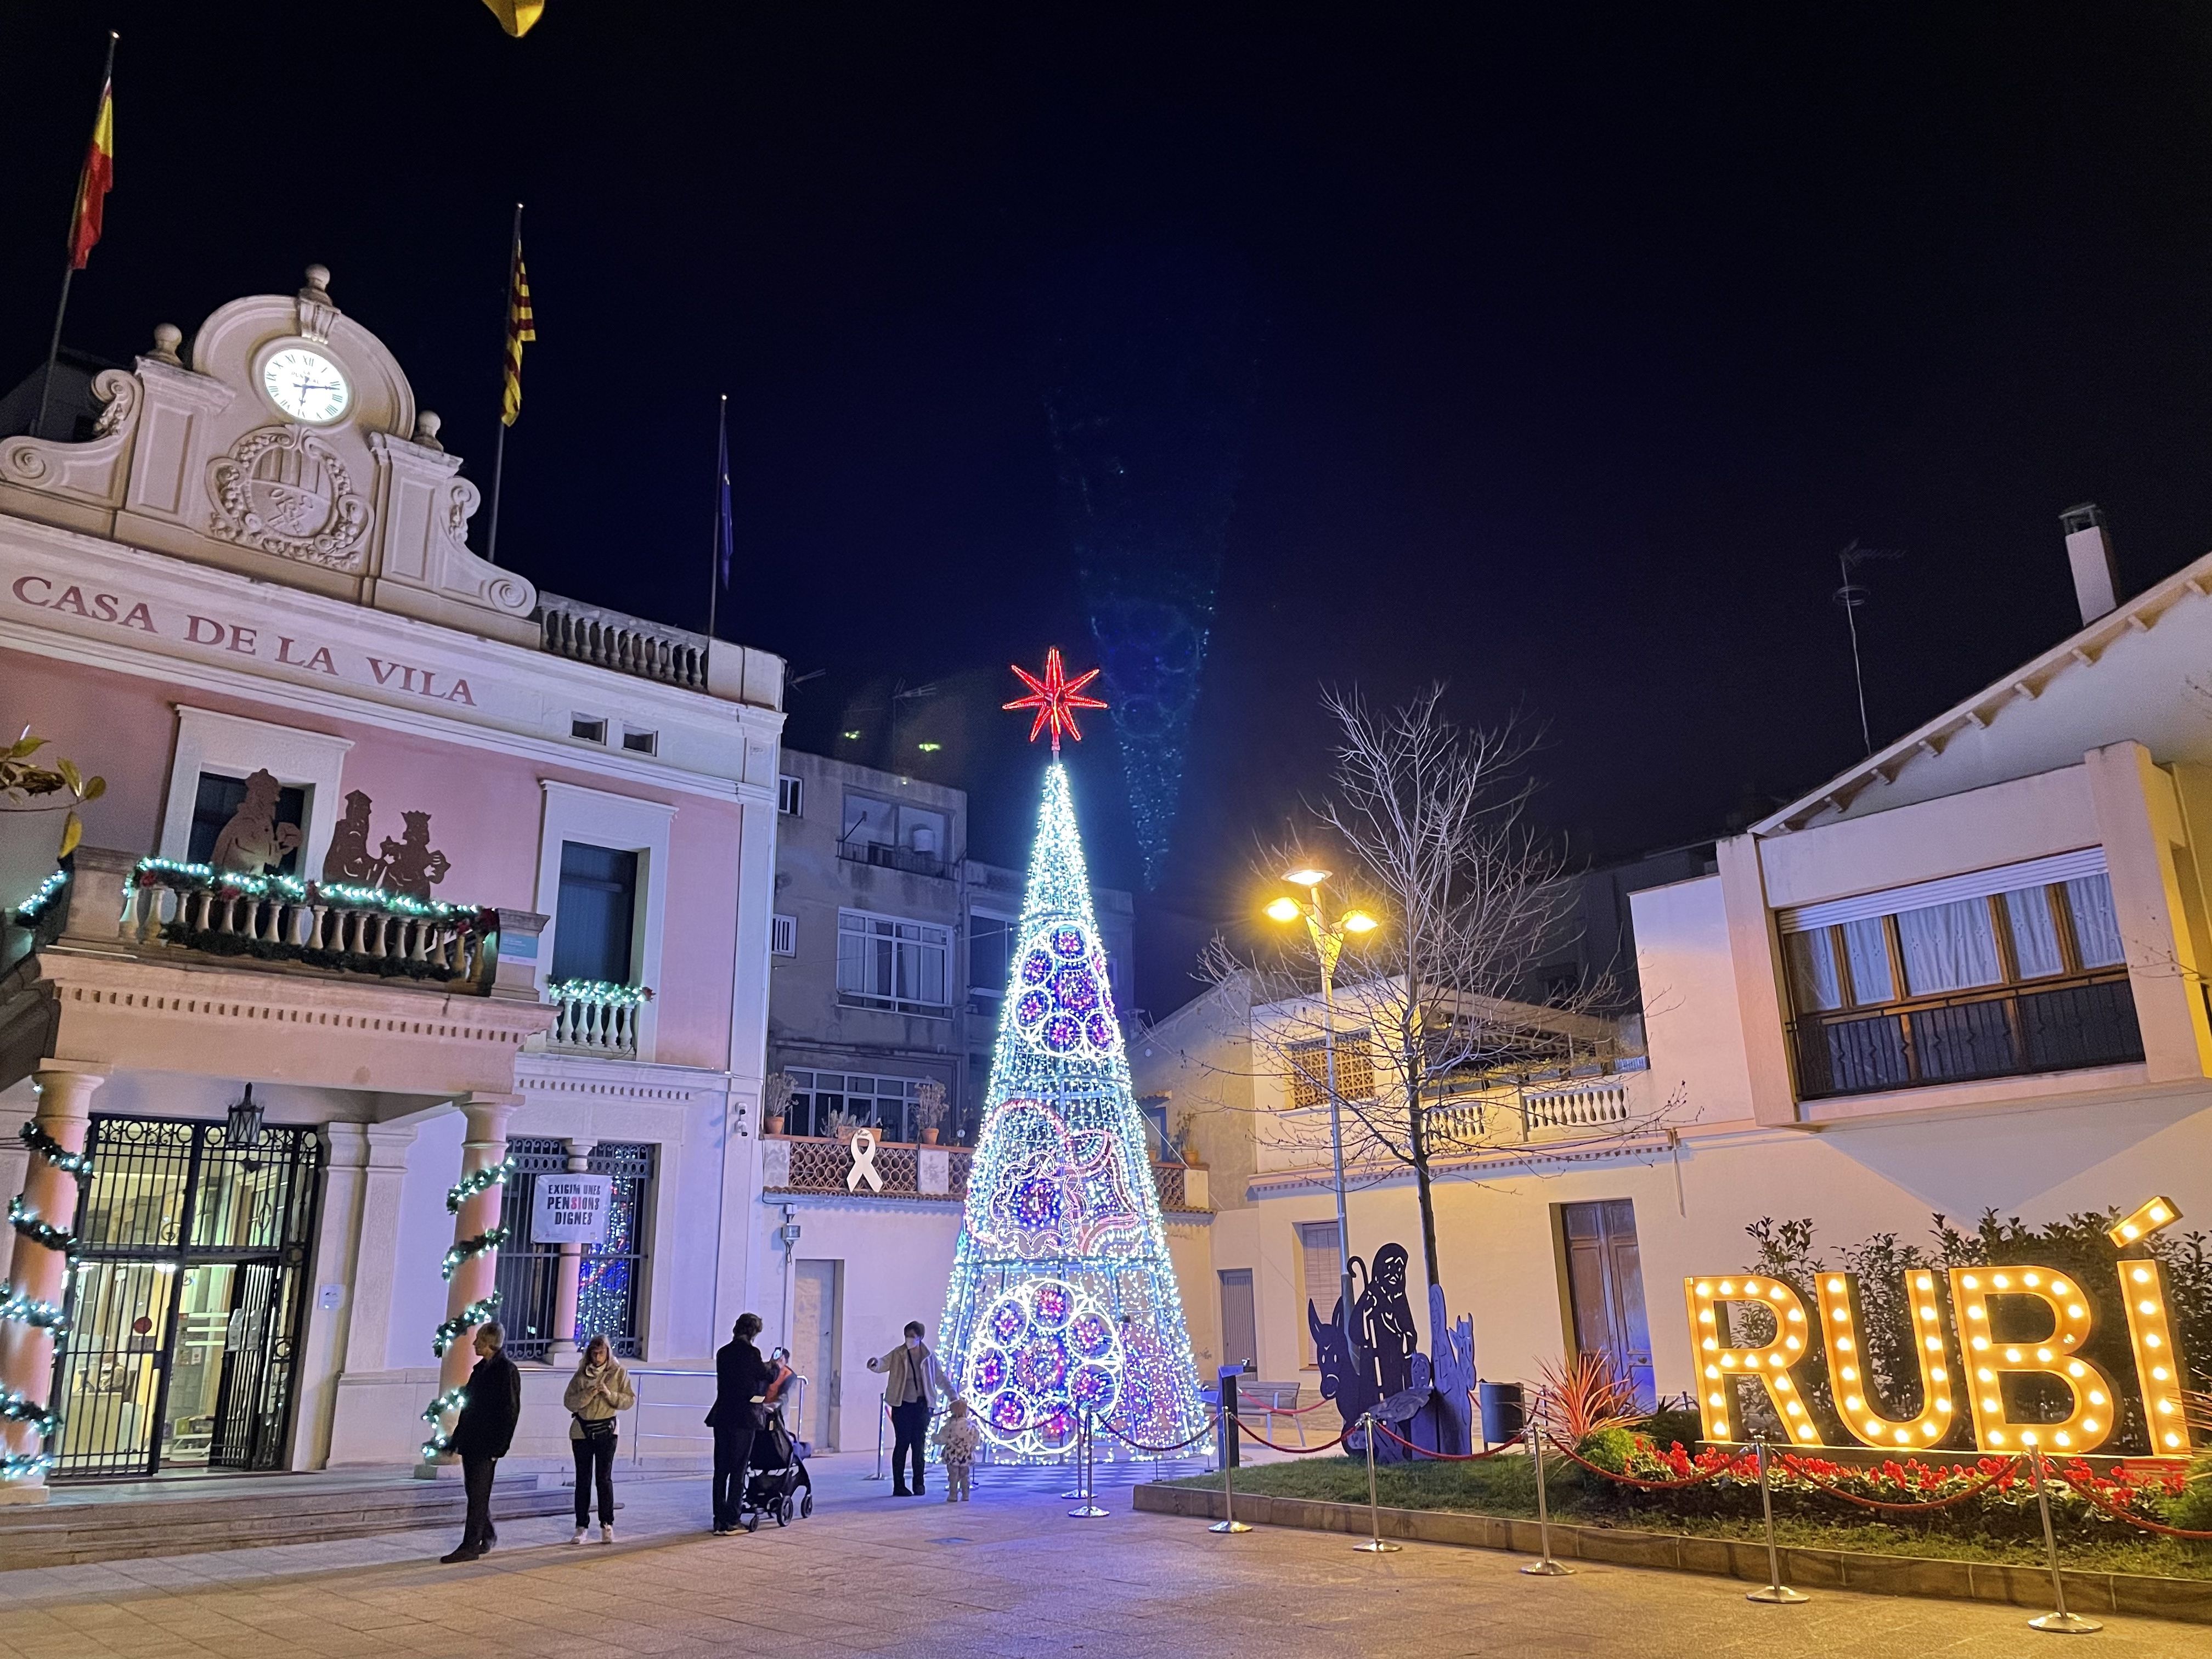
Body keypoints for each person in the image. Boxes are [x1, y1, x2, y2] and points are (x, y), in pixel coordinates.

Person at [440, 1322, 522, 1564]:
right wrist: (456, 1439)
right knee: (474, 1492)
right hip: (472, 1442)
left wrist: (499, 1448)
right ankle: (486, 1534)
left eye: (479, 1340)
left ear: (489, 1343)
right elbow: (469, 1409)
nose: (474, 1344)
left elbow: (510, 1412)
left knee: (478, 1495)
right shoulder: (480, 1370)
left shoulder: (506, 1371)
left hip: (487, 1445)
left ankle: (470, 1546)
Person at [707, 1312, 777, 1534]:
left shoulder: (723, 1352)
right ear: (753, 1332)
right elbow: (765, 1375)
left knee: (721, 1470)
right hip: (744, 1418)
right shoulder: (751, 1353)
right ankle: (732, 1520)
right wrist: (774, 1366)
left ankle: (718, 1519)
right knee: (738, 1469)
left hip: (722, 1416)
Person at [564, 1333, 635, 1545]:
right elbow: (569, 1402)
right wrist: (589, 1394)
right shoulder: (581, 1375)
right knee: (582, 1480)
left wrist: (608, 1394)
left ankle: (607, 1523)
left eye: (601, 1353)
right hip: (582, 1431)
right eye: (593, 1353)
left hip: (606, 1430)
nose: (597, 1357)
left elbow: (629, 1400)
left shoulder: (618, 1373)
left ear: (607, 1353)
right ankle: (581, 1526)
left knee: (603, 1479)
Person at [866, 1319, 948, 1497]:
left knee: (919, 1445)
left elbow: (940, 1378)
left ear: (920, 1337)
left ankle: (919, 1484)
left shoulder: (929, 1356)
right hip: (902, 1405)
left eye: (913, 1336)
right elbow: (883, 1363)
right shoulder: (899, 1354)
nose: (909, 1339)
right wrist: (875, 1364)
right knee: (902, 1444)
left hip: (922, 1406)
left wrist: (954, 1396)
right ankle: (899, 1486)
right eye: (907, 1336)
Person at [933, 1396, 980, 1503]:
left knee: (953, 1476)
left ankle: (953, 1495)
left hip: (952, 1455)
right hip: (966, 1456)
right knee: (965, 1476)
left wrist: (934, 1438)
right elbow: (976, 1440)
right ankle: (966, 1494)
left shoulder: (950, 1426)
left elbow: (942, 1439)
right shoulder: (971, 1426)